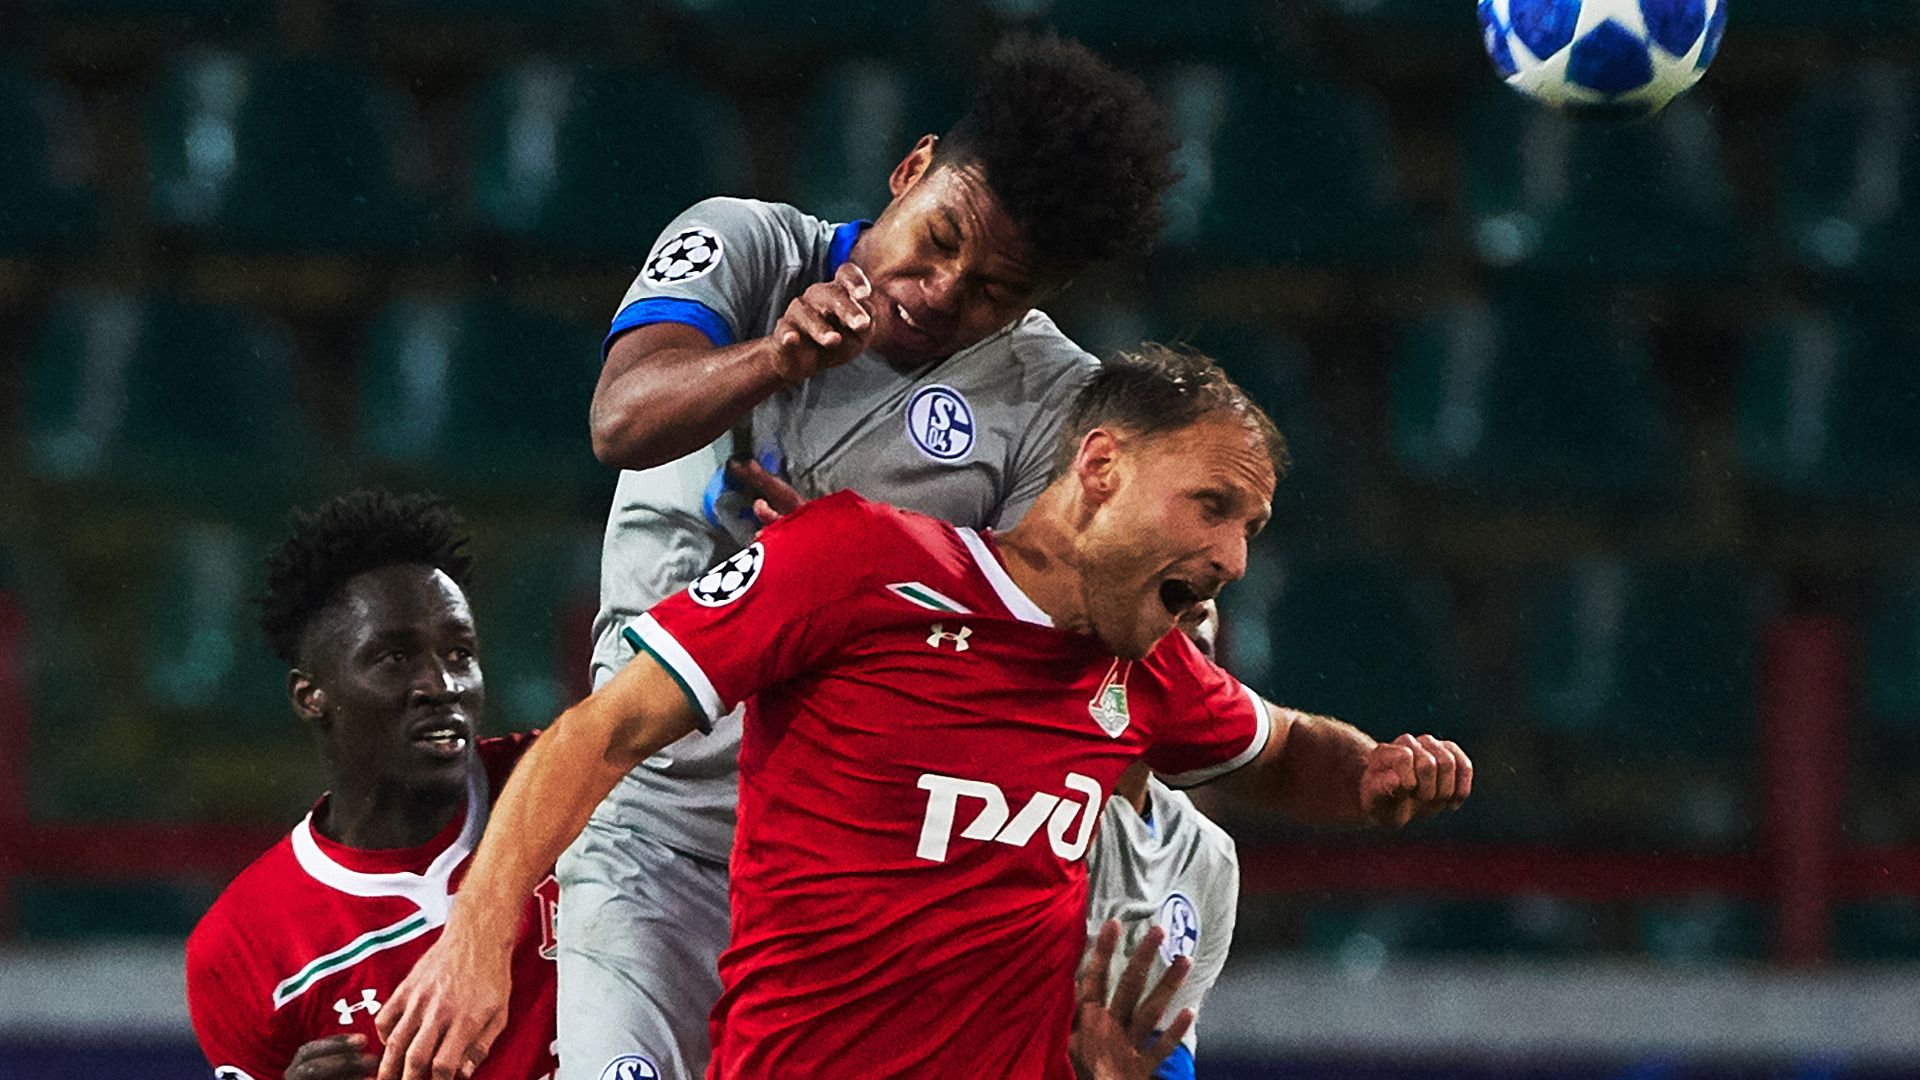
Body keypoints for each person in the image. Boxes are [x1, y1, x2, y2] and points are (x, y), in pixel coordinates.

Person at [373, 346, 1474, 1080]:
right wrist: (476, 939)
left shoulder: (1144, 668)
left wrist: (1372, 771)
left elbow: (1280, 749)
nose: (1234, 557)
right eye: (1213, 507)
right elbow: (595, 733)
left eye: (1252, 528)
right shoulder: (856, 563)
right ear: (1098, 468)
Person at [568, 33, 1179, 1080]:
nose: (941, 291)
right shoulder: (747, 248)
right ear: (911, 169)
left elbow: (1043, 674)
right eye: (937, 237)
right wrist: (773, 357)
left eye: (992, 289)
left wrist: (851, 571)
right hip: (653, 838)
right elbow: (622, 422)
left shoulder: (1060, 410)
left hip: (866, 892)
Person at [184, 492, 559, 1080]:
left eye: (461, 653)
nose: (441, 685)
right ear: (312, 696)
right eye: (394, 658)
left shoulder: (560, 784)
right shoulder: (242, 946)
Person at [1081, 604, 1240, 1080]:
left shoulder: (1208, 856)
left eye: (1201, 657)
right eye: (1171, 654)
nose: (1189, 677)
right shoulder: (1024, 806)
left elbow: (1158, 1058)